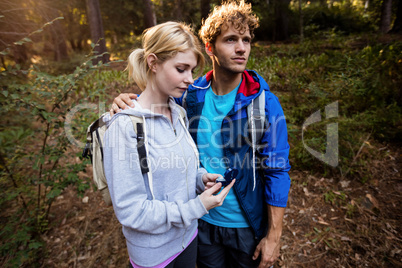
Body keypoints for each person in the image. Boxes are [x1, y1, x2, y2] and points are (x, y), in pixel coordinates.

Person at [111, 1, 291, 267]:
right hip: (200, 224)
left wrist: (274, 236)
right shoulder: (191, 96)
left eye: (246, 40)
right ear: (210, 47)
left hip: (245, 226)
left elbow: (277, 169)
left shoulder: (263, 103)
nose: (241, 48)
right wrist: (126, 103)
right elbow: (155, 107)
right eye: (231, 39)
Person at [103, 21, 235, 268]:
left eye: (192, 70)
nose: (190, 79)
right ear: (153, 62)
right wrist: (195, 208)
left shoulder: (179, 113)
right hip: (153, 255)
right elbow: (131, 210)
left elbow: (179, 170)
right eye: (181, 69)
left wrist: (200, 178)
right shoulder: (125, 126)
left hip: (188, 239)